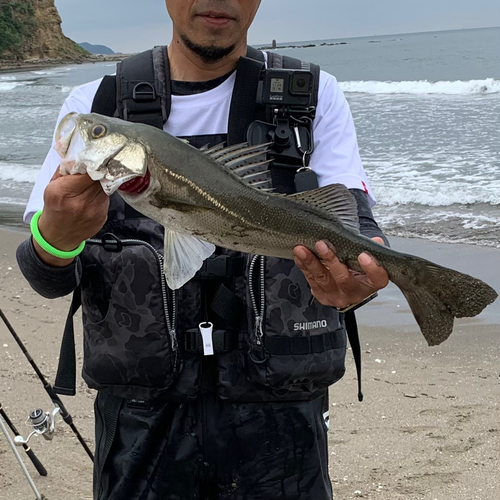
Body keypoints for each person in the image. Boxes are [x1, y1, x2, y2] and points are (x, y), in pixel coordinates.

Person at [17, 1, 389, 499]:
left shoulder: (311, 96)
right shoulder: (96, 104)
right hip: (140, 419)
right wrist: (57, 237)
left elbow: (356, 228)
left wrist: (361, 281)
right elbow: (47, 276)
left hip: (282, 417)